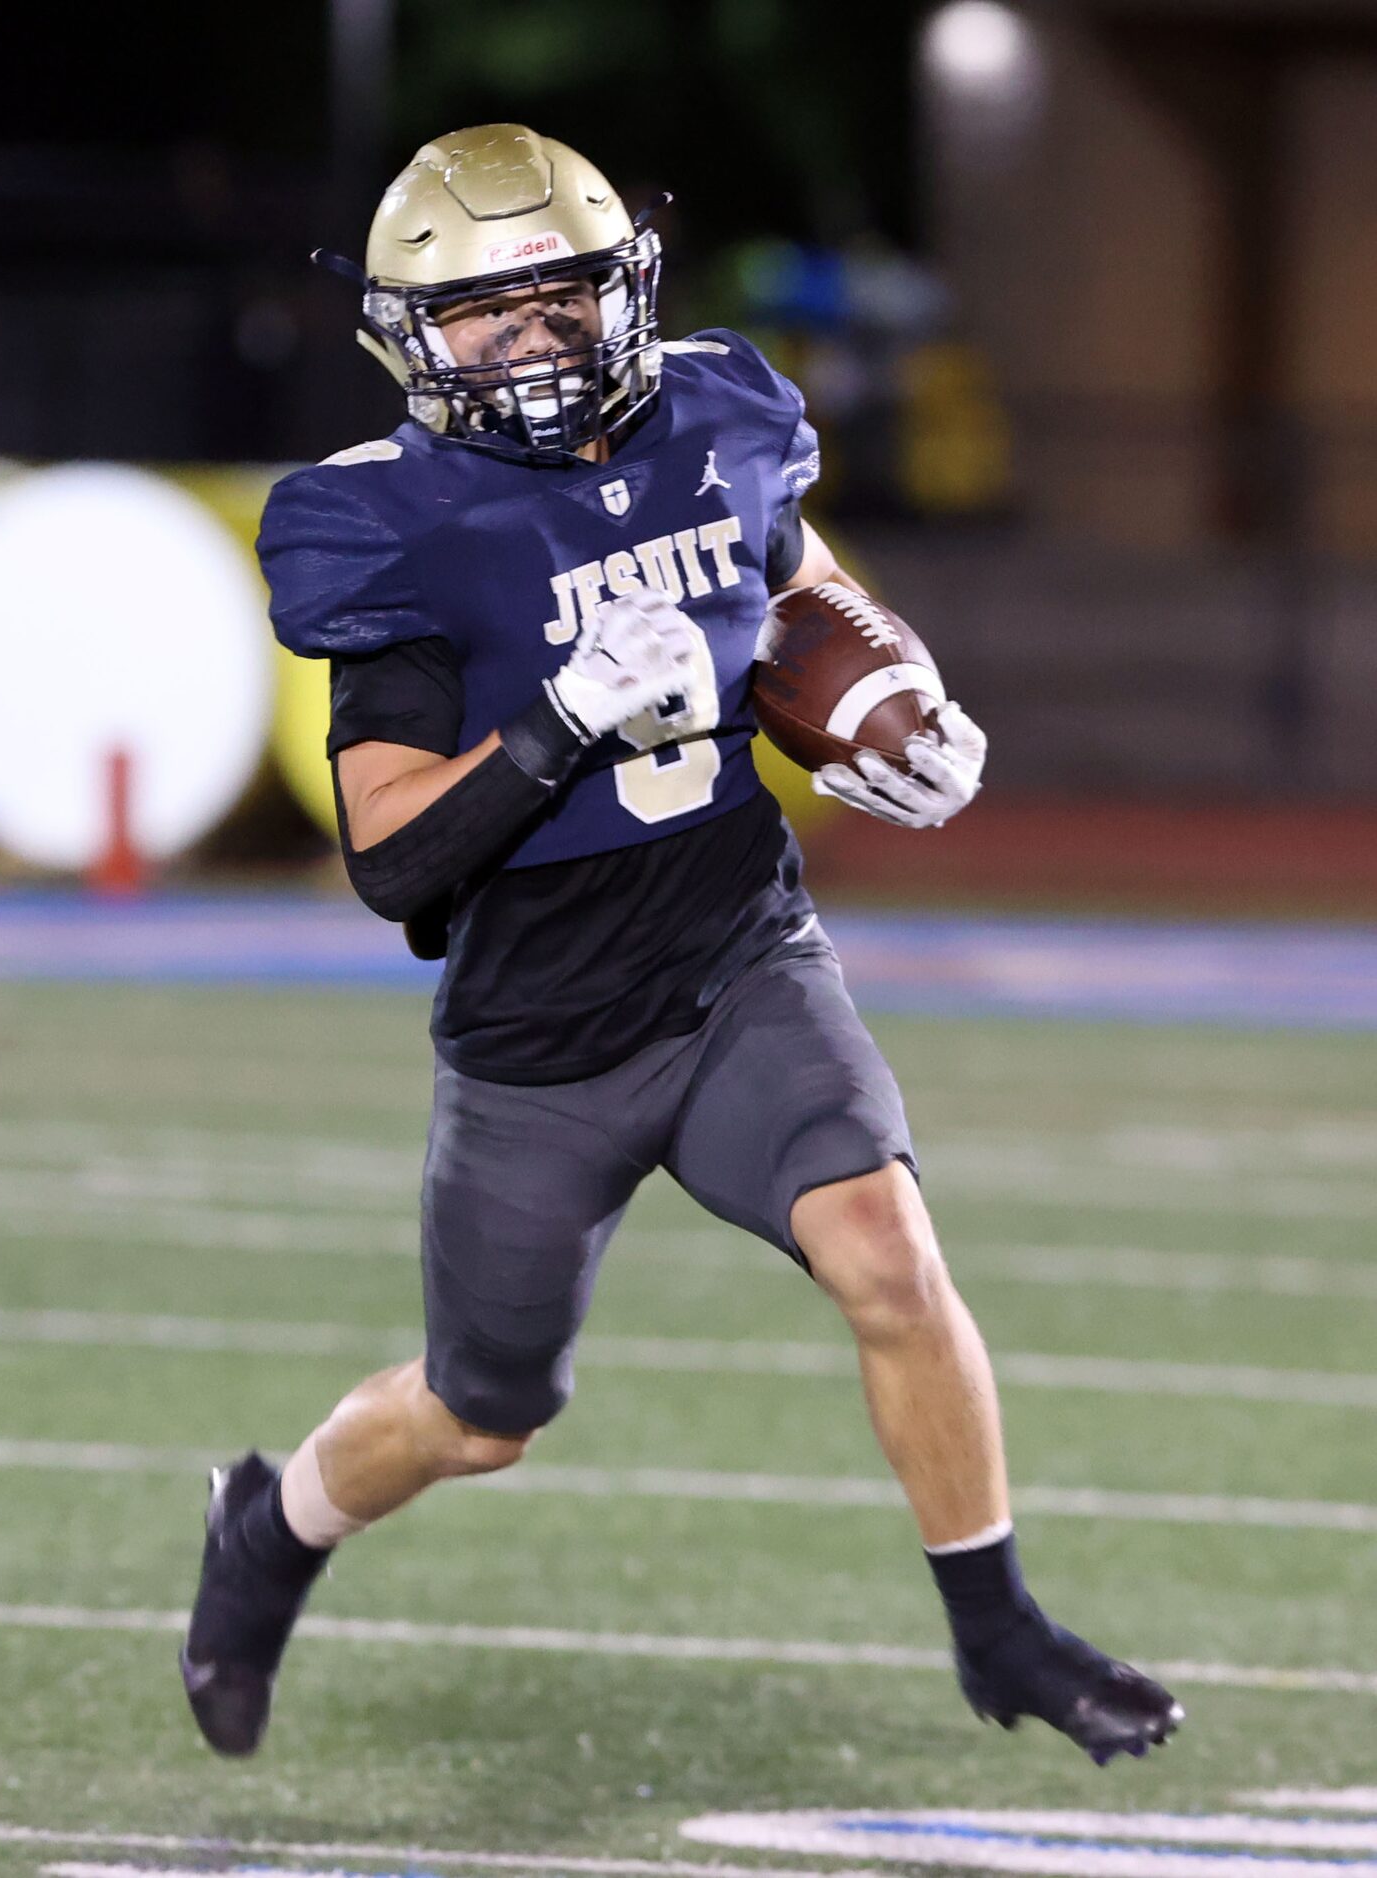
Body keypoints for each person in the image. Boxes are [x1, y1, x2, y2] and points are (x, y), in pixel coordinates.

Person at [178, 125, 1179, 1770]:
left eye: (563, 301)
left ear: (622, 295)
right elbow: (388, 853)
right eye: (487, 318)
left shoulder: (720, 410)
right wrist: (559, 722)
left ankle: (997, 1625)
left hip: (740, 955)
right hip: (542, 1036)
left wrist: (902, 702)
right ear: (414, 343)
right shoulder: (392, 525)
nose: (535, 345)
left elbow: (803, 591)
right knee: (478, 1415)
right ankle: (267, 1530)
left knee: (892, 1261)